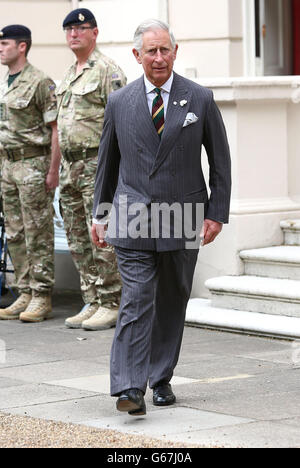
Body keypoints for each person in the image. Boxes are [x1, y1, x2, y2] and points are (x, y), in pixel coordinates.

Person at [92, 19, 231, 415]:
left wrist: (216, 213)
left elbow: (220, 161)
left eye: (164, 49)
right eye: (150, 51)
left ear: (175, 51)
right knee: (136, 300)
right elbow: (107, 164)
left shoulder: (199, 98)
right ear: (137, 55)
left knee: (171, 300)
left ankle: (161, 377)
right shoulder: (119, 102)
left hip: (183, 214)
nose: (158, 57)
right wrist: (100, 215)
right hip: (131, 216)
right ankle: (129, 387)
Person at [57, 8, 126, 331]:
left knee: (100, 232)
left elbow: (123, 124)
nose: (74, 34)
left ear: (94, 33)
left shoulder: (108, 70)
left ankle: (112, 301)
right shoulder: (71, 73)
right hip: (71, 165)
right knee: (77, 235)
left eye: (80, 28)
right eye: (69, 29)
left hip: (96, 163)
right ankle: (93, 297)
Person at [0, 25, 60, 322]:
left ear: (22, 46)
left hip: (33, 165)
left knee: (37, 231)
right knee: (15, 232)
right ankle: (24, 290)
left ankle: (41, 294)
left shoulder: (39, 81)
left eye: (5, 43)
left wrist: (53, 170)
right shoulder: (5, 82)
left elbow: (55, 129)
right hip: (8, 166)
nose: (0, 48)